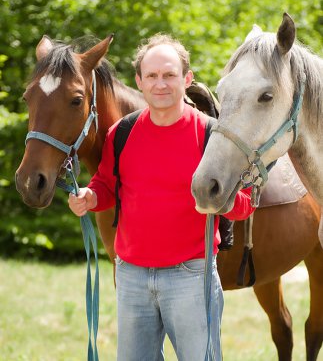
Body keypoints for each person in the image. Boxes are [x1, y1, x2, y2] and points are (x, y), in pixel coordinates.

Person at [68, 33, 255, 361]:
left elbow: (244, 206)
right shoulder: (121, 133)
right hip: (131, 277)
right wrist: (89, 197)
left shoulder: (213, 136)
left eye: (170, 75)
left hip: (192, 277)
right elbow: (106, 186)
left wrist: (221, 199)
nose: (161, 84)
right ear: (139, 81)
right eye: (152, 76)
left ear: (187, 78)